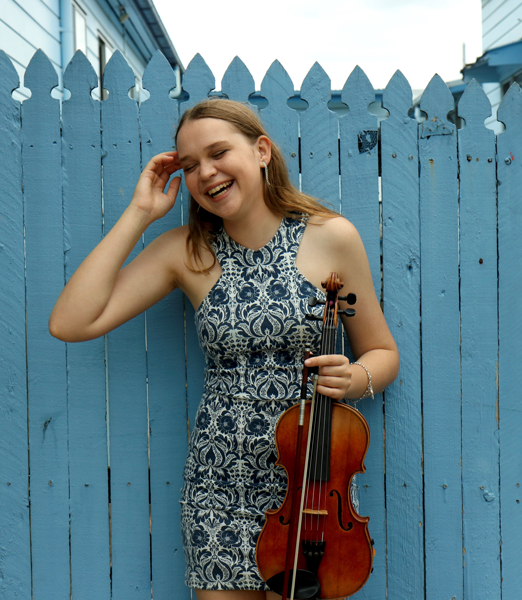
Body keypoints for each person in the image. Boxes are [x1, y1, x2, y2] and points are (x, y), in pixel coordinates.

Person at [49, 98, 399, 600]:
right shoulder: (185, 252)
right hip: (220, 485)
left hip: (314, 487)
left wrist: (357, 377)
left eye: (218, 153)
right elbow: (70, 321)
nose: (206, 173)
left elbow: (383, 352)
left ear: (261, 151)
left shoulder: (332, 238)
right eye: (190, 166)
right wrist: (140, 213)